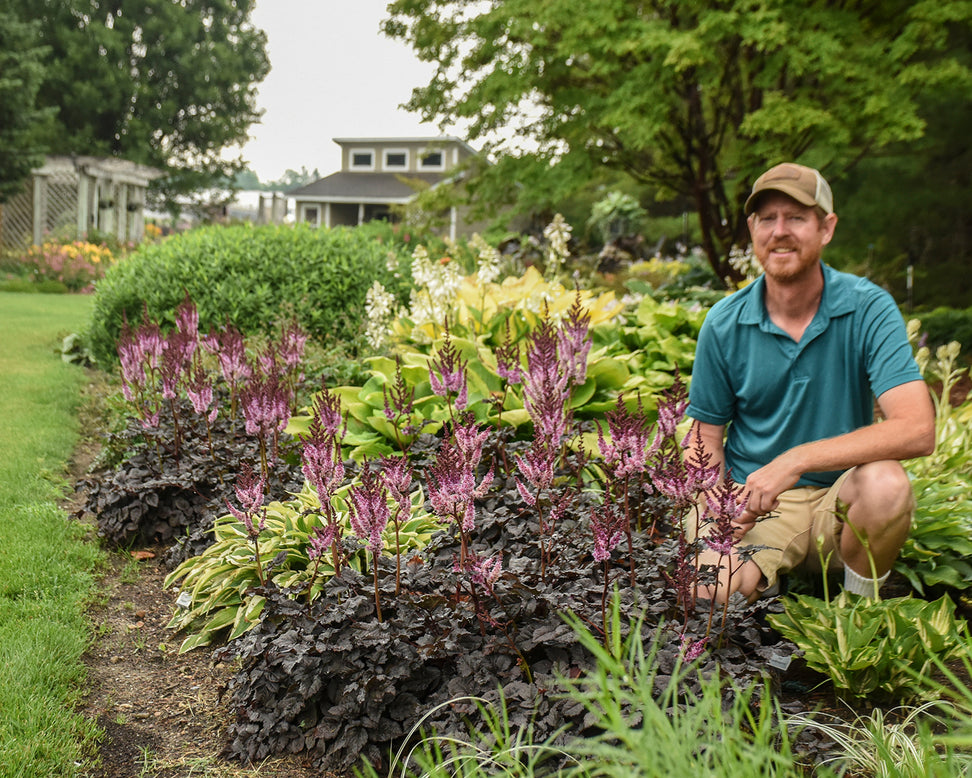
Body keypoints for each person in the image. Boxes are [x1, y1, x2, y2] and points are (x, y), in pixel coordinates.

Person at [686, 162, 936, 602]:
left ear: (827, 228)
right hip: (752, 503)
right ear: (752, 229)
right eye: (768, 218)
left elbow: (917, 428)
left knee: (886, 484)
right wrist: (717, 502)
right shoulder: (723, 323)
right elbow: (704, 433)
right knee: (709, 592)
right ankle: (762, 575)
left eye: (796, 217)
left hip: (839, 505)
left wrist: (793, 461)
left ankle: (858, 610)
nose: (779, 231)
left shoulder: (868, 308)